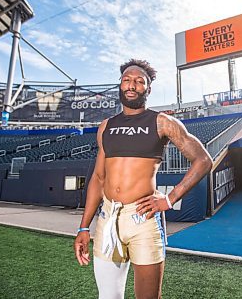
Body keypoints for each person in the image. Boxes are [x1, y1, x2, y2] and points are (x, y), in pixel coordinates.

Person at [74, 58, 212, 299]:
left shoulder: (162, 122)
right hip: (108, 218)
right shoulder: (106, 126)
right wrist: (84, 226)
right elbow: (98, 177)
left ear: (148, 88)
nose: (132, 85)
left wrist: (169, 200)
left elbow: (203, 161)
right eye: (127, 80)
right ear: (119, 85)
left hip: (143, 219)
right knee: (108, 297)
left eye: (139, 81)